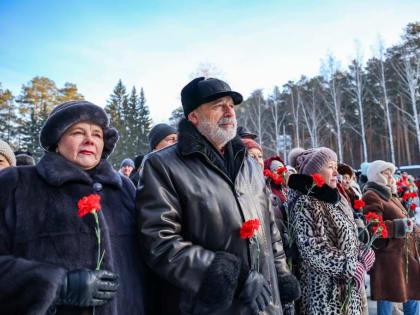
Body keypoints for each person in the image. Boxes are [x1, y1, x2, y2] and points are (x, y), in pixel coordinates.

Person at [137, 77, 300, 315]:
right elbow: (159, 242)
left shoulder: (249, 164)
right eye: (218, 105)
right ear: (193, 117)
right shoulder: (163, 165)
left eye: (232, 106)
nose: (229, 112)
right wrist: (227, 274)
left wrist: (282, 276)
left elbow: (270, 229)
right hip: (210, 306)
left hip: (265, 302)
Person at [0, 101, 152, 314]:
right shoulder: (16, 183)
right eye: (78, 132)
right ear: (57, 140)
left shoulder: (123, 187)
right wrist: (59, 286)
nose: (90, 140)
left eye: (97, 135)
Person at [287, 147, 374, 315]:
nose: (336, 173)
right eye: (330, 167)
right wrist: (350, 266)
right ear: (314, 172)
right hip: (325, 297)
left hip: (347, 293)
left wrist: (363, 250)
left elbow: (347, 238)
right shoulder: (307, 202)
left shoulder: (336, 199)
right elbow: (313, 250)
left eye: (336, 167)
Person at [362, 160, 420, 315]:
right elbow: (374, 227)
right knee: (386, 298)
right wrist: (401, 226)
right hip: (388, 258)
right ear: (376, 175)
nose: (389, 176)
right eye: (384, 172)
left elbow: (406, 221)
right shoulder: (371, 195)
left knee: (413, 294)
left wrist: (414, 230)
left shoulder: (390, 194)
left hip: (404, 255)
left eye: (390, 172)